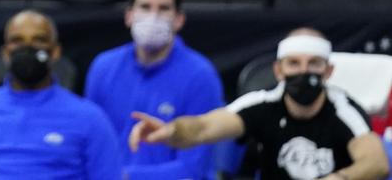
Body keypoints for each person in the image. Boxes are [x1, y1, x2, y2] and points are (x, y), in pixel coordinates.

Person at [130, 28, 390, 180]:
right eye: (294, 64)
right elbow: (203, 127)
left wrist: (336, 179)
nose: (303, 72)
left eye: (314, 64)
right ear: (278, 70)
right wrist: (170, 132)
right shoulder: (261, 104)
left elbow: (376, 162)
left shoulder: (344, 110)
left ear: (328, 71)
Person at [0, 10, 121, 179]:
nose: (27, 48)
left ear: (56, 52)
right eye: (17, 41)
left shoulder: (89, 118)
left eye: (39, 40)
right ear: (6, 53)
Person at [84, 0, 224, 179]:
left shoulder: (200, 75)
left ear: (179, 20)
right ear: (129, 15)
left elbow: (193, 168)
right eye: (145, 7)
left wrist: (125, 176)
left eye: (164, 9)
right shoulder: (103, 67)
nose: (153, 17)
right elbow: (89, 144)